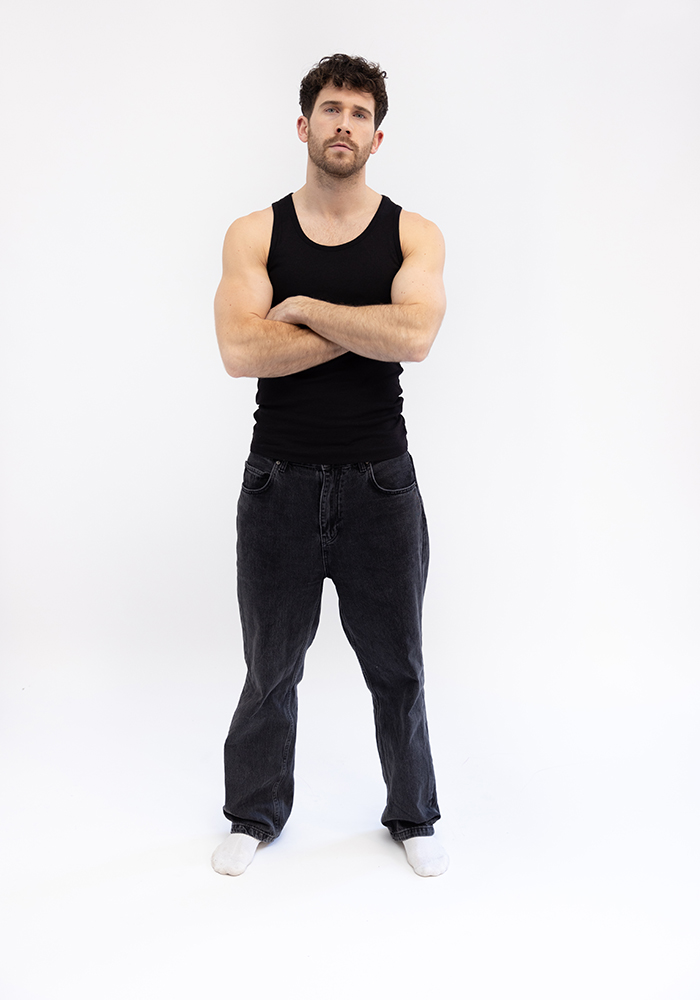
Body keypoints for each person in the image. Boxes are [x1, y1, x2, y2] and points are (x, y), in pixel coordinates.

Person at [211, 54, 448, 877]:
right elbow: (241, 352)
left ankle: (413, 814)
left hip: (381, 483)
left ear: (377, 137)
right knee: (270, 668)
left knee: (398, 668)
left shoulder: (414, 234)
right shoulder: (255, 233)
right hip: (278, 480)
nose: (344, 123)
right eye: (331, 109)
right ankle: (254, 814)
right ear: (303, 125)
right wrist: (368, 327)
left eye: (359, 113)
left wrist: (307, 308)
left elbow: (415, 338)